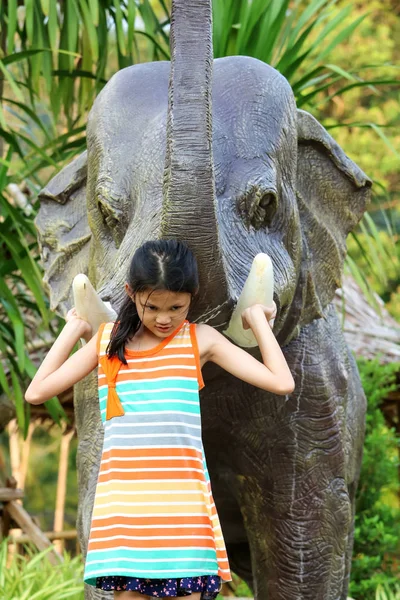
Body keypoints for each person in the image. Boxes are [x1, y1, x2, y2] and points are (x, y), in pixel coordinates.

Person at [25, 239, 295, 600]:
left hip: (183, 511)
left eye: (176, 307)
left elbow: (281, 381)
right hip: (125, 512)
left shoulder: (200, 340)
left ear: (192, 297)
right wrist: (73, 328)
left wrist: (258, 321)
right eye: (151, 307)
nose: (164, 318)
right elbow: (36, 391)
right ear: (131, 294)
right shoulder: (107, 342)